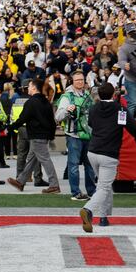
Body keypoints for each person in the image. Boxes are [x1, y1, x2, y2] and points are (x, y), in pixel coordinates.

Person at [80, 83, 136, 232]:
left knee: (104, 185)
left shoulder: (94, 108)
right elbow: (132, 126)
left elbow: (90, 123)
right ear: (113, 95)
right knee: (103, 186)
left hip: (93, 151)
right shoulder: (119, 109)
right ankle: (88, 210)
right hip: (109, 153)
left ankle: (103, 217)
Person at [7, 79, 60, 193]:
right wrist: (51, 135)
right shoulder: (46, 102)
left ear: (34, 88)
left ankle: (54, 185)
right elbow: (52, 121)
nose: (28, 88)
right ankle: (20, 181)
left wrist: (10, 127)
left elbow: (23, 119)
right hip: (43, 135)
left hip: (37, 136)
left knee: (45, 160)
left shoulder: (31, 102)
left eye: (30, 86)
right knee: (31, 159)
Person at [55, 70, 96, 201]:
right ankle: (76, 193)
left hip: (88, 135)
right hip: (74, 135)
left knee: (90, 165)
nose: (80, 82)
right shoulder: (67, 97)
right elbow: (58, 116)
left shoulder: (88, 96)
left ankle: (91, 191)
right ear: (72, 82)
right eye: (77, 80)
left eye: (82, 80)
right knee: (73, 165)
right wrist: (67, 110)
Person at [11, 79, 45, 186]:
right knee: (35, 154)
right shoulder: (35, 101)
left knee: (21, 154)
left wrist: (17, 130)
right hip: (32, 130)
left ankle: (19, 177)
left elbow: (12, 117)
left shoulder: (16, 101)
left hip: (21, 130)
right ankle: (37, 178)